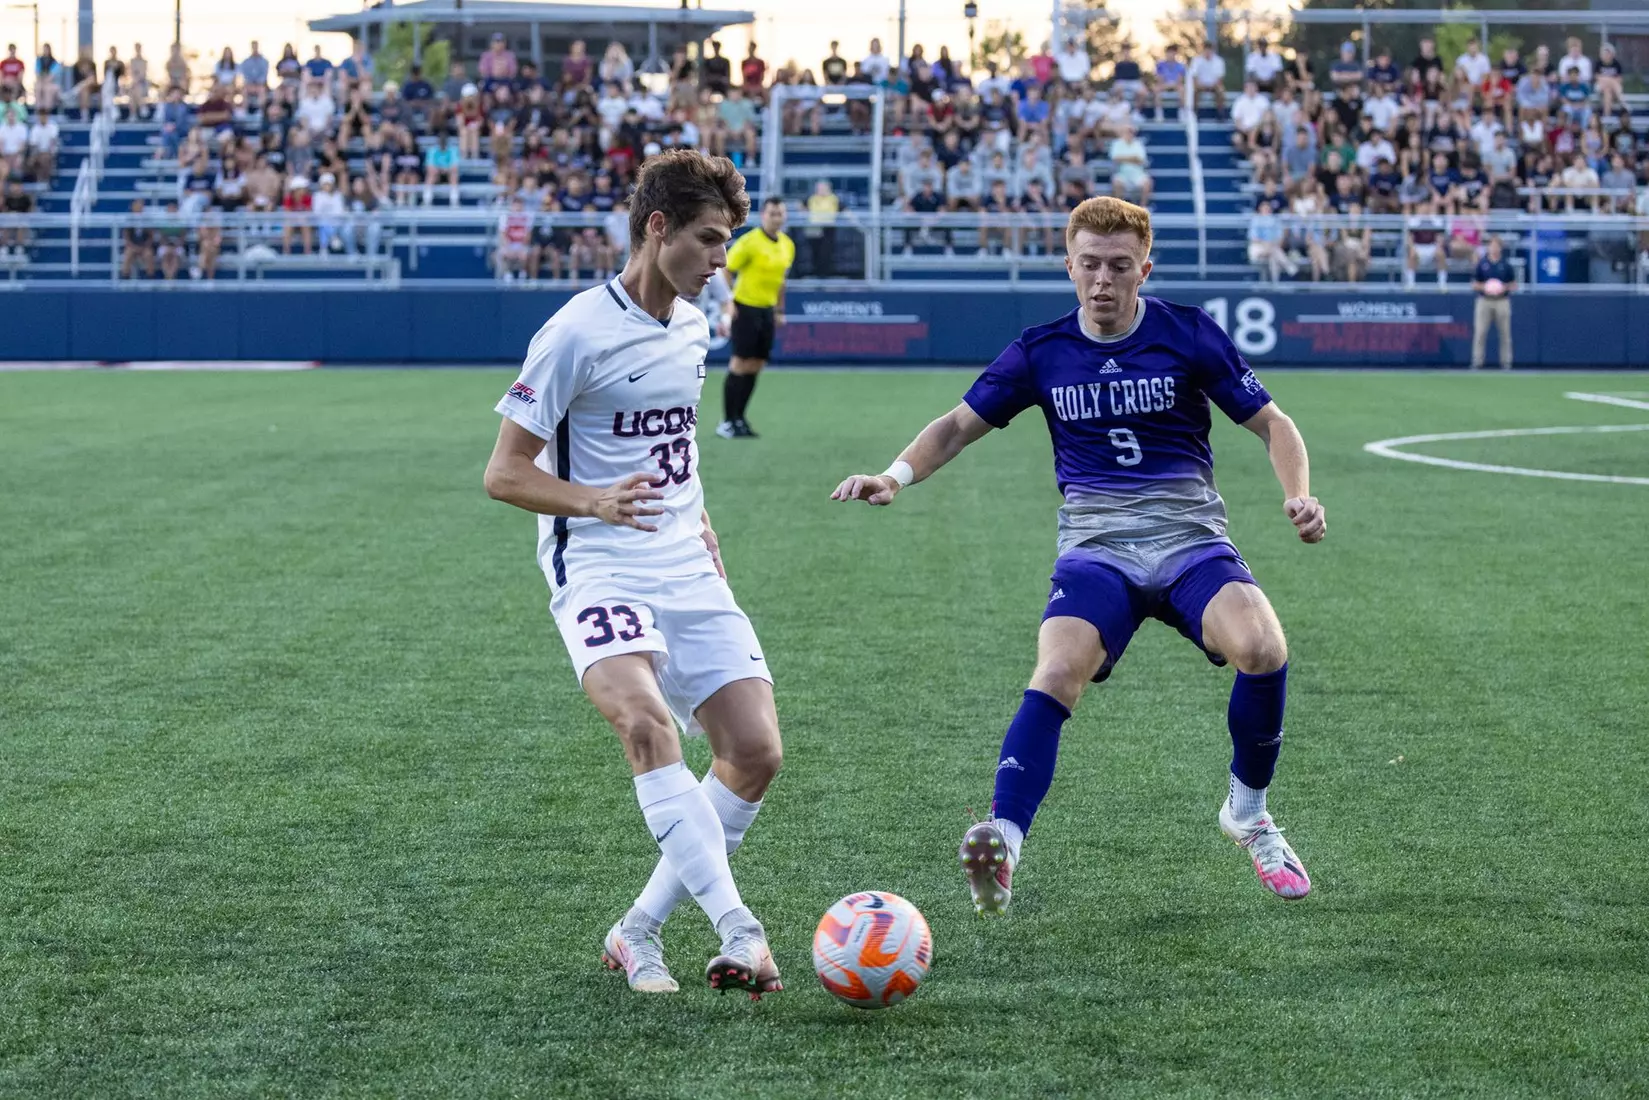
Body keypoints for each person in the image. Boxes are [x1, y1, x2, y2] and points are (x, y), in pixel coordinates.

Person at [831, 196, 1323, 912]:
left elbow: (1272, 423)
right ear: (1068, 265)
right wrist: (893, 475)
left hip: (1189, 541)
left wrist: (1297, 495)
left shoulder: (1187, 334)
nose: (1102, 280)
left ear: (1143, 269)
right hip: (1096, 549)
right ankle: (1001, 842)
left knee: (1262, 647)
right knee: (1058, 670)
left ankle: (1247, 814)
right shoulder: (1042, 350)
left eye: (1118, 267)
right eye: (1088, 264)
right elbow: (956, 426)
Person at [483, 149, 783, 999]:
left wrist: (705, 525)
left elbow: (673, 450)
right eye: (708, 240)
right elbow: (504, 474)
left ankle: (637, 930)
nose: (721, 259)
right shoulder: (575, 331)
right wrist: (593, 503)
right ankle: (741, 931)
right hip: (600, 561)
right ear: (657, 229)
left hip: (685, 559)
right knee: (647, 726)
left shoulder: (692, 325)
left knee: (754, 753)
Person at [717, 196, 793, 439]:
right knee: (740, 362)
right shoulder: (750, 241)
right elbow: (726, 269)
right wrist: (729, 301)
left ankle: (740, 418)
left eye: (780, 213)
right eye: (772, 213)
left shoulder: (787, 245)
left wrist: (779, 310)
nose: (776, 218)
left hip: (766, 310)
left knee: (756, 364)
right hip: (745, 307)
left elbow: (781, 281)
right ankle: (728, 421)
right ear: (763, 216)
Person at [1470, 236, 1515, 371]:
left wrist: (1502, 287)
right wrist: (1486, 287)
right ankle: (1477, 361)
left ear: (1500, 248)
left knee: (1505, 333)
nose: (1494, 248)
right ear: (1488, 248)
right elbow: (1474, 284)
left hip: (1502, 301)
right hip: (1485, 301)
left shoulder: (1506, 265)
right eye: (1492, 246)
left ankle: (1506, 362)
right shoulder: (1482, 263)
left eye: (1497, 246)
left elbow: (1513, 284)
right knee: (1480, 332)